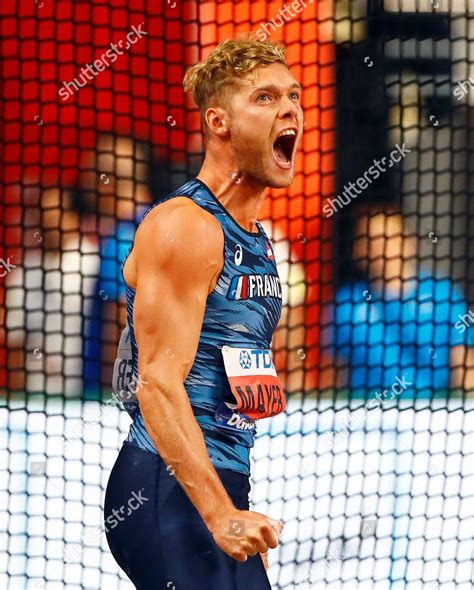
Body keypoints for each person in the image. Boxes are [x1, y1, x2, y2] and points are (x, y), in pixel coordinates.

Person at [103, 36, 304, 589]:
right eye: (264, 98)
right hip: (165, 491)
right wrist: (219, 515)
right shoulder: (185, 226)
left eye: (293, 96)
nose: (289, 109)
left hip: (218, 484)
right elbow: (157, 384)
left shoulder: (256, 240)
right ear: (218, 122)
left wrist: (229, 506)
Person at [326, 203, 474, 397]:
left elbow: (464, 368)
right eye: (373, 241)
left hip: (432, 417)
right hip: (365, 418)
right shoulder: (346, 304)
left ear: (408, 243)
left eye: (390, 238)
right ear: (359, 250)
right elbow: (334, 373)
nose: (382, 249)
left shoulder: (443, 295)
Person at [5, 187, 99, 396]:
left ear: (74, 217)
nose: (50, 223)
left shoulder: (94, 264)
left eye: (58, 214)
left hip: (86, 389)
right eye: (45, 215)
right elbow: (16, 342)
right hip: (36, 394)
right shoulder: (24, 273)